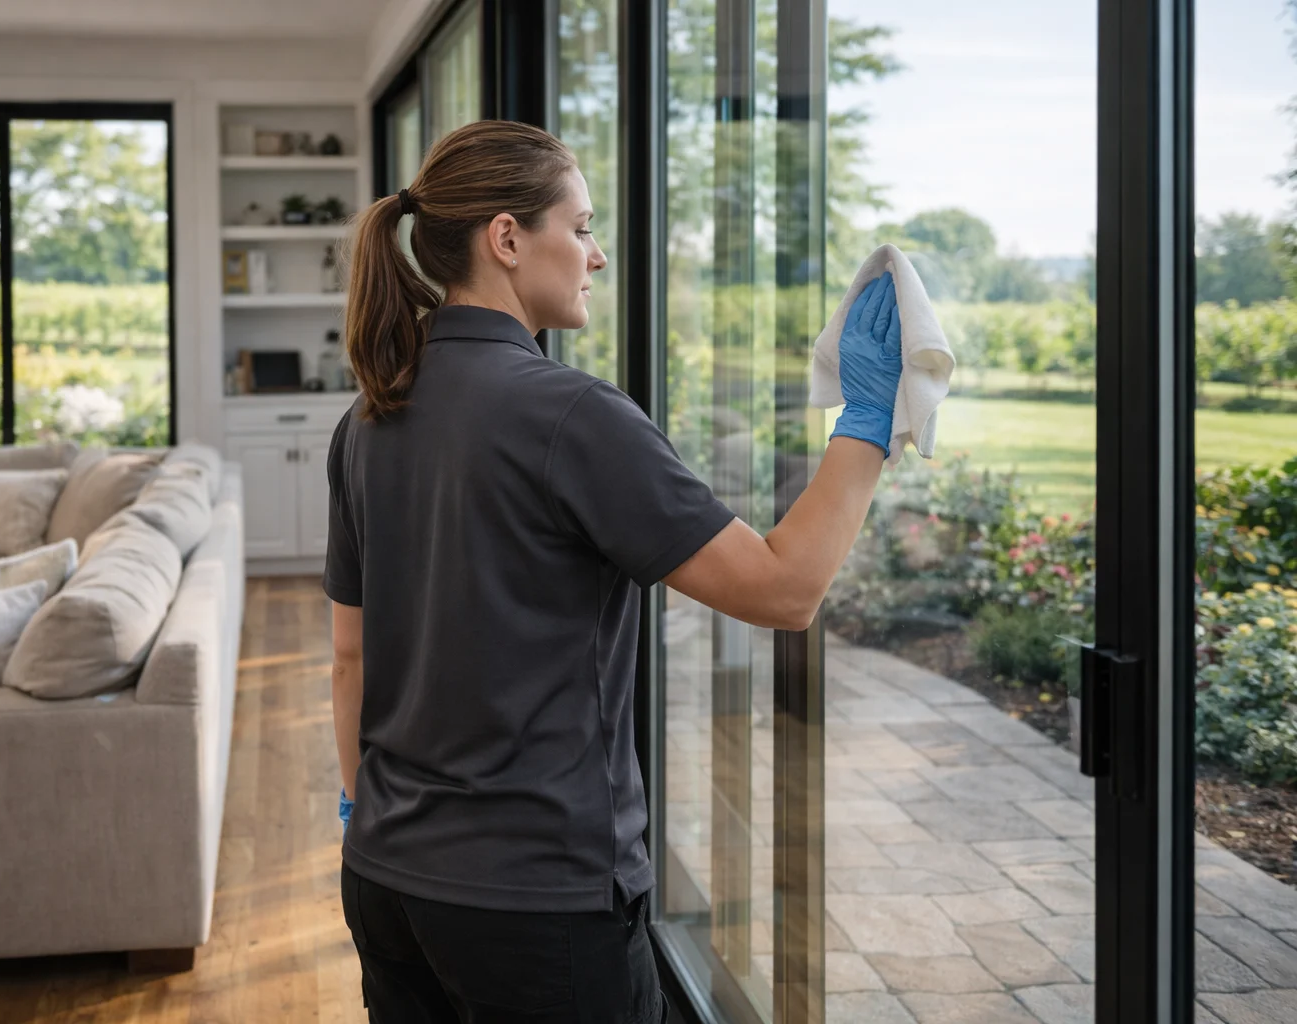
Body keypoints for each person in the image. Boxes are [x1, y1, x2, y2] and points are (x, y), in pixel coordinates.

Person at [325, 120, 902, 1023]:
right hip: (533, 905)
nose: (596, 256)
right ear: (508, 239)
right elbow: (784, 592)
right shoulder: (571, 416)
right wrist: (870, 418)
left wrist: (365, 813)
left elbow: (349, 658)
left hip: (388, 882)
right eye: (583, 226)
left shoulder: (369, 415)